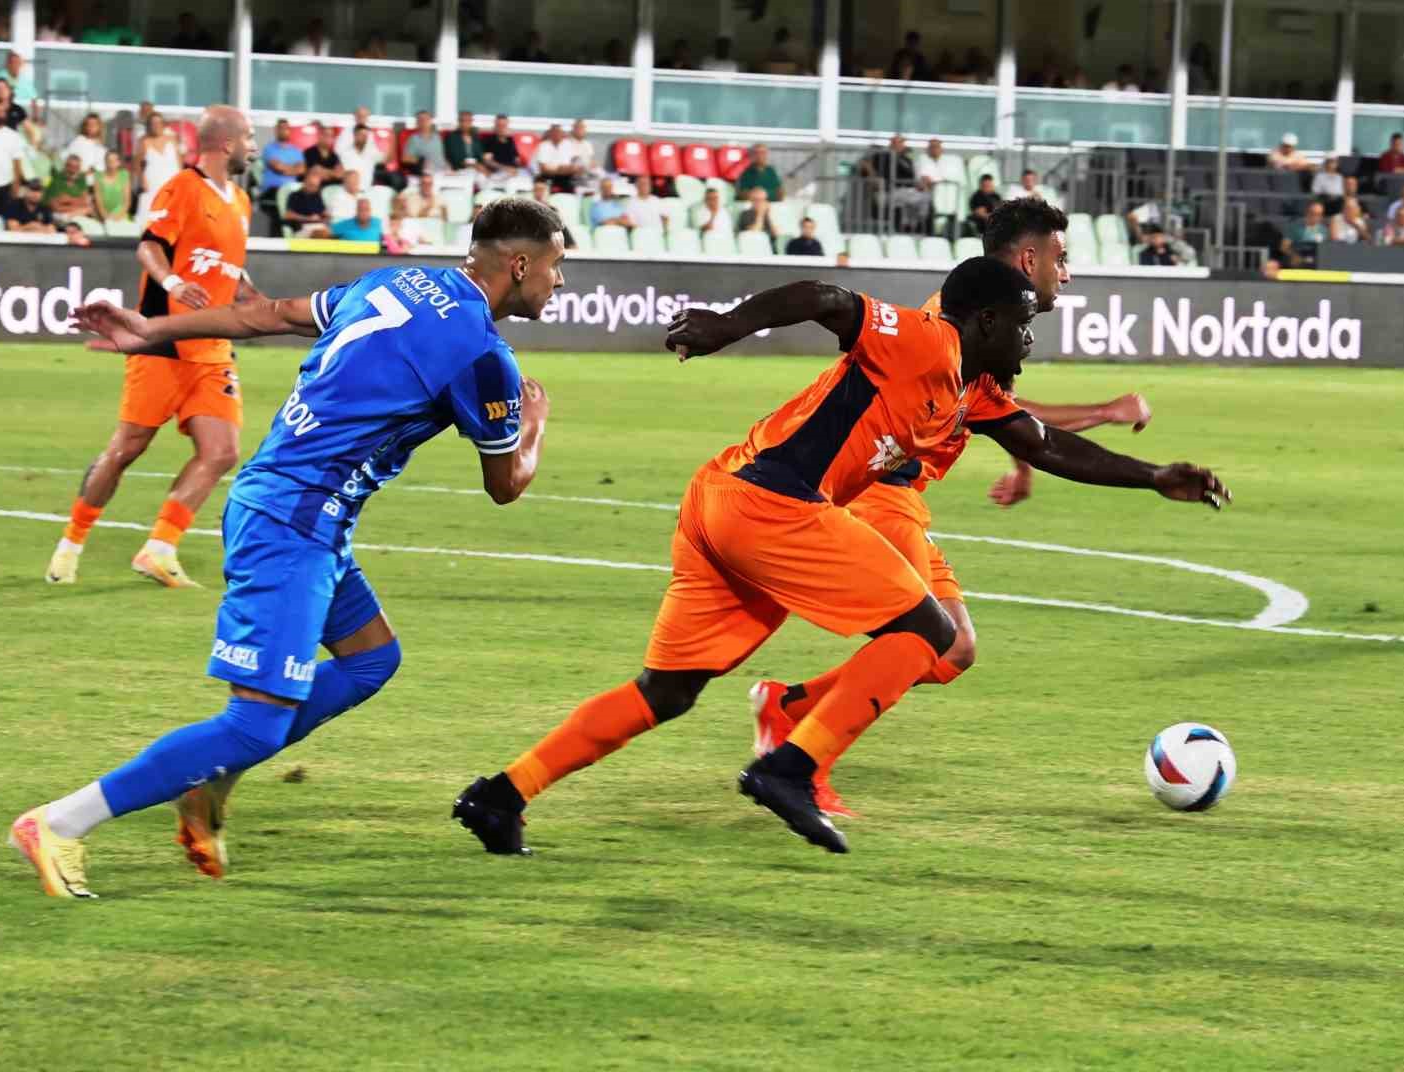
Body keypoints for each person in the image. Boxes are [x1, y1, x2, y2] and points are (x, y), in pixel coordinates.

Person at [453, 251, 1226, 855]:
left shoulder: (973, 389)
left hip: (722, 500)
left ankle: (503, 794)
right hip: (771, 504)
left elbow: (1045, 445)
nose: (1028, 340)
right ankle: (788, 767)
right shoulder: (923, 338)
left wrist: (1155, 477)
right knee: (929, 633)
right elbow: (826, 298)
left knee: (668, 690)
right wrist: (726, 324)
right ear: (985, 318)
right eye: (1022, 324)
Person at [14, 199, 562, 898]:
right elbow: (507, 483)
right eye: (557, 265)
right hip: (291, 521)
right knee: (252, 725)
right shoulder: (485, 358)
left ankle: (206, 790)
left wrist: (153, 329)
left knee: (371, 661)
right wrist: (536, 424)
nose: (560, 281)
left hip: (299, 510)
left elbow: (265, 315)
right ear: (519, 264)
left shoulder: (396, 283)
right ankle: (60, 822)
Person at [751, 199, 1160, 814]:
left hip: (903, 496)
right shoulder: (961, 317)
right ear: (1029, 258)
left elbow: (998, 409)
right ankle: (802, 758)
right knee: (931, 638)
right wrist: (1103, 411)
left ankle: (790, 709)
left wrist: (1022, 465)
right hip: (880, 490)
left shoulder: (993, 313)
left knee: (954, 648)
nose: (1066, 273)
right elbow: (1006, 414)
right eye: (1061, 258)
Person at [43, 106, 258, 591]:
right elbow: (149, 245)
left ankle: (160, 548)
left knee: (222, 451)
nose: (253, 145)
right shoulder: (182, 186)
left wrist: (250, 293)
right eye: (248, 136)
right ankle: (70, 545)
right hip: (162, 343)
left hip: (213, 348)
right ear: (225, 143)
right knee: (126, 450)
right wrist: (173, 281)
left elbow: (227, 267)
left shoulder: (241, 201)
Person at [857, 134, 926, 229]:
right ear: (891, 144)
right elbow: (863, 163)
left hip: (906, 191)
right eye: (896, 143)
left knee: (924, 197)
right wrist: (873, 176)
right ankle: (910, 225)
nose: (899, 145)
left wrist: (919, 184)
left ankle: (908, 225)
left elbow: (914, 178)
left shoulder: (907, 160)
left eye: (901, 143)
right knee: (922, 198)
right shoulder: (882, 155)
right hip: (887, 191)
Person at [138, 111, 184, 202]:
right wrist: (143, 180)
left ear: (163, 124)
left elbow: (180, 161)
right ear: (149, 125)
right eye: (153, 123)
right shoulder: (144, 141)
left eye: (159, 122)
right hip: (152, 181)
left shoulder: (173, 139)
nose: (156, 125)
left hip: (171, 178)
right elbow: (138, 164)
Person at [43, 152, 95, 220]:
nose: (73, 170)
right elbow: (55, 207)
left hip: (77, 213)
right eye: (70, 166)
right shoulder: (57, 180)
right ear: (65, 166)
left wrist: (69, 201)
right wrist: (77, 203)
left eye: (76, 167)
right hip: (59, 215)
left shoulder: (81, 179)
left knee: (88, 211)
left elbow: (85, 202)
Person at [531, 123, 580, 193]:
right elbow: (543, 169)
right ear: (550, 134)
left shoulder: (569, 145)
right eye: (554, 132)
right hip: (548, 177)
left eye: (559, 132)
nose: (556, 134)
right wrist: (560, 169)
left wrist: (563, 169)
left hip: (566, 177)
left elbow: (575, 165)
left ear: (562, 133)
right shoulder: (543, 146)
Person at [284, 165, 332, 237]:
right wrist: (308, 218)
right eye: (312, 185)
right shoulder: (295, 195)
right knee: (321, 234)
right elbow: (288, 215)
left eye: (316, 186)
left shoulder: (317, 196)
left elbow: (325, 213)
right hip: (302, 227)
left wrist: (327, 218)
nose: (314, 188)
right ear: (305, 182)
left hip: (319, 225)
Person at [401, 110, 445, 177]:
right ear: (417, 123)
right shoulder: (414, 139)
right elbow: (405, 158)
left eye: (426, 119)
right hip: (425, 174)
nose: (424, 122)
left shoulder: (437, 137)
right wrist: (420, 160)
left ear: (431, 121)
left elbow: (441, 157)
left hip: (442, 172)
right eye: (421, 120)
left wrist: (449, 168)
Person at [338, 124, 383, 189]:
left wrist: (393, 137)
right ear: (355, 136)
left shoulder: (372, 153)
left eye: (366, 136)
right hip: (348, 192)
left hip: (366, 192)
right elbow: (342, 174)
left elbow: (386, 159)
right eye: (362, 135)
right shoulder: (345, 154)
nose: (365, 138)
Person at [478, 114, 521, 180]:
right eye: (499, 125)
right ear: (495, 126)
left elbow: (517, 159)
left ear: (507, 126)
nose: (501, 128)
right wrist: (505, 168)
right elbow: (487, 161)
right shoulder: (488, 141)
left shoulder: (510, 140)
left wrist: (515, 168)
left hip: (511, 173)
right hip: (495, 172)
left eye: (504, 125)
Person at [93, 149, 132, 221]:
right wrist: (105, 216)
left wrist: (118, 217)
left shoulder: (124, 174)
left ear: (119, 162)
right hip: (102, 214)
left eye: (114, 160)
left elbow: (127, 201)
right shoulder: (98, 176)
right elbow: (98, 200)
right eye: (109, 161)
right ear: (105, 162)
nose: (111, 163)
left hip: (120, 213)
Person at [444, 110, 484, 175]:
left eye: (468, 121)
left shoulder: (475, 137)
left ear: (471, 122)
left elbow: (480, 155)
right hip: (459, 170)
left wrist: (481, 165)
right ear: (459, 122)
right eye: (462, 121)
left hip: (476, 169)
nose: (464, 124)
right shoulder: (452, 137)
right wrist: (474, 165)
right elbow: (456, 159)